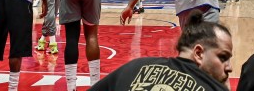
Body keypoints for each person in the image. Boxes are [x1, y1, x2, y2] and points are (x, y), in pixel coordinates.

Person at [93, 9, 232, 90]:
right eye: (223, 57)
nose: (230, 68)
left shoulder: (135, 66)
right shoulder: (211, 87)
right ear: (198, 53)